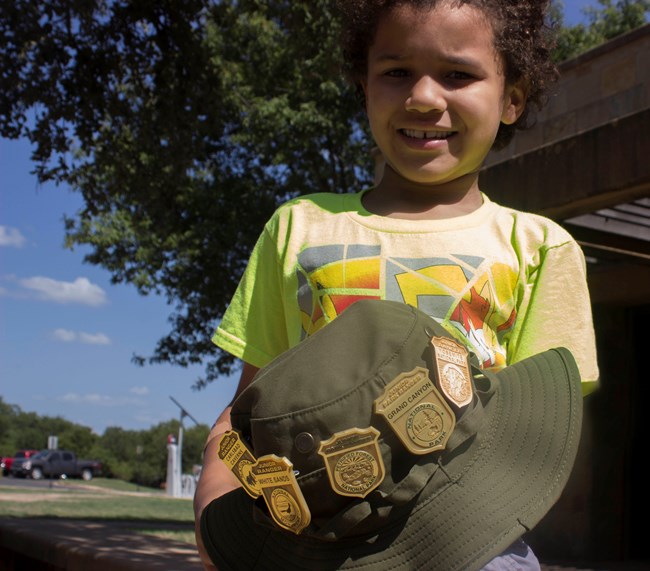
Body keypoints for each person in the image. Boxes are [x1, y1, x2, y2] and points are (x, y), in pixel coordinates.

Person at [194, 0, 599, 569]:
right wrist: (214, 508)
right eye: (396, 72)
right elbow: (246, 411)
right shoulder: (299, 227)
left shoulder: (540, 247)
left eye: (458, 74)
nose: (424, 97)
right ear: (364, 88)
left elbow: (544, 430)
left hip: (476, 546)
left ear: (513, 99)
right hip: (315, 546)